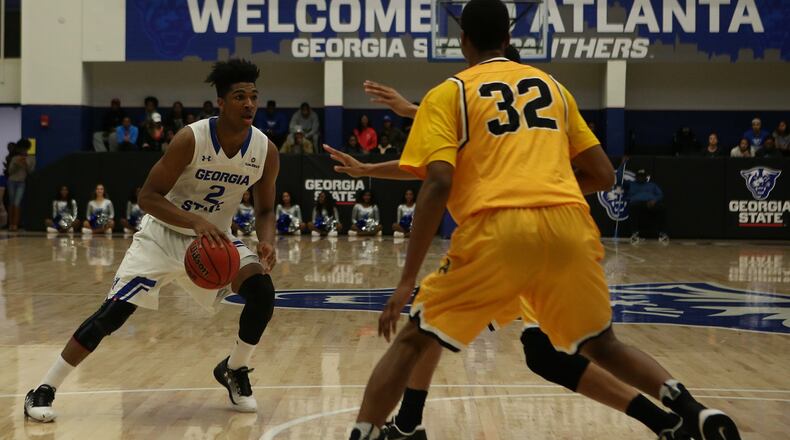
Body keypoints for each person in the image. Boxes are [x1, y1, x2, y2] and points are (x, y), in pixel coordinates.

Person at [341, 3, 739, 439]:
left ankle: (377, 429)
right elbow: (602, 174)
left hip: (500, 231)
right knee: (587, 345)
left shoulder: (450, 92)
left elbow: (437, 178)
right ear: (508, 40)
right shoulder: (553, 87)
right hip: (567, 226)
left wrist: (403, 279)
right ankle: (687, 412)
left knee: (422, 331)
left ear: (462, 41)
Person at [24, 58, 280, 423]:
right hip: (163, 235)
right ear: (221, 103)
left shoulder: (265, 150)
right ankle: (43, 389)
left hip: (213, 242)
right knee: (112, 314)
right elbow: (148, 197)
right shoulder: (191, 139)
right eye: (240, 96)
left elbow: (267, 209)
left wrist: (266, 240)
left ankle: (234, 368)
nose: (250, 104)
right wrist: (194, 220)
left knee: (262, 291)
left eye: (253, 96)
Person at [626, 170, 669, 244]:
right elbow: (619, 179)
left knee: (662, 207)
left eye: (642, 176)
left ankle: (662, 233)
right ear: (636, 177)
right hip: (637, 203)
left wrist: (654, 200)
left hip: (651, 203)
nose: (641, 178)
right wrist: (622, 164)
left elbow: (660, 194)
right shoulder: (631, 184)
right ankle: (635, 233)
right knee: (633, 208)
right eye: (639, 176)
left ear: (646, 177)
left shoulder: (652, 185)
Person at [5, 138, 35, 232]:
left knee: (17, 203)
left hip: (21, 183)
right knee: (11, 203)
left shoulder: (31, 158)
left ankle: (15, 225)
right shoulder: (14, 158)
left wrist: (25, 163)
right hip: (11, 181)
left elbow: (30, 172)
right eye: (22, 149)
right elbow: (10, 172)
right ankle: (10, 224)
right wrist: (16, 164)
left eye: (25, 149)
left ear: (27, 149)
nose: (23, 150)